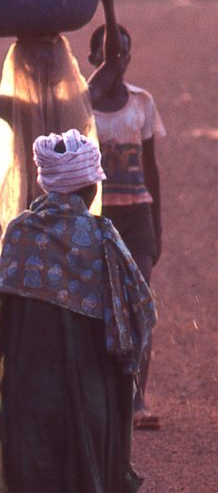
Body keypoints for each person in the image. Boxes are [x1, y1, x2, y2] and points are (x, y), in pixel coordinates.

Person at [0, 129, 156, 492]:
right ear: (92, 189)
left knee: (36, 473)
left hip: (29, 388)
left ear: (47, 184)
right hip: (91, 388)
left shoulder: (19, 232)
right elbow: (139, 313)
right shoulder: (103, 237)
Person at [0, 0, 122, 229]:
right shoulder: (69, 102)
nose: (45, 62)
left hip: (37, 220)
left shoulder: (23, 109)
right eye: (39, 55)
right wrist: (106, 1)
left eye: (50, 52)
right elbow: (113, 62)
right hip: (66, 221)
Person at [87, 22, 165, 430]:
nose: (117, 61)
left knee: (139, 306)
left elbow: (151, 168)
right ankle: (102, 394)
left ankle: (137, 398)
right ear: (93, 60)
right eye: (108, 53)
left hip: (136, 216)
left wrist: (157, 222)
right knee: (97, 305)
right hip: (99, 216)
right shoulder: (81, 106)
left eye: (123, 53)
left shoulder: (143, 102)